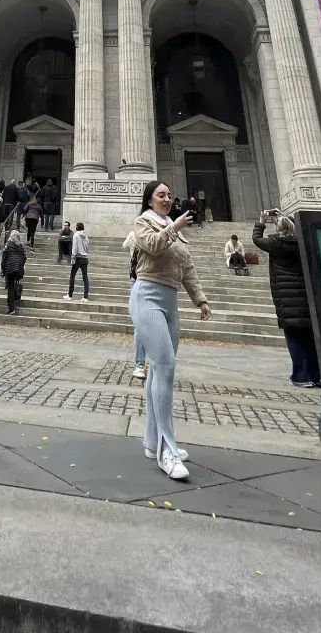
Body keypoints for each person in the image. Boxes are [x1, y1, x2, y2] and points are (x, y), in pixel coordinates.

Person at [131, 180, 211, 481]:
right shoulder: (143, 223)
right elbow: (151, 246)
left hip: (170, 301)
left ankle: (152, 443)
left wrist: (200, 300)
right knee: (165, 366)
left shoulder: (173, 230)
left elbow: (186, 267)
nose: (166, 199)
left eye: (168, 195)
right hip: (147, 295)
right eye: (160, 195)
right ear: (149, 200)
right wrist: (174, 228)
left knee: (158, 372)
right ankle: (167, 448)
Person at [252, 211, 320, 388]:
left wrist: (261, 221)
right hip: (304, 296)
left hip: (286, 298)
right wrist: (285, 216)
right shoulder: (301, 243)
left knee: (294, 339)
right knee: (310, 339)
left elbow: (257, 239)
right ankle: (316, 376)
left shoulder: (275, 243)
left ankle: (300, 376)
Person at [122, 227, 147, 380]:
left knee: (140, 324)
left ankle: (140, 365)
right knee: (141, 323)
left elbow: (124, 246)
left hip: (137, 279)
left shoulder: (133, 234)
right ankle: (142, 364)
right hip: (144, 280)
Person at [1, 230, 27, 315]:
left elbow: (4, 257)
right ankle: (11, 301)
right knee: (13, 284)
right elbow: (24, 257)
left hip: (10, 267)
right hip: (18, 267)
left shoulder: (8, 244)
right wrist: (21, 265)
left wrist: (2, 269)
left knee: (10, 286)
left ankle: (11, 307)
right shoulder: (20, 245)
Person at [67, 222, 90, 302]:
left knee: (72, 276)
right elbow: (87, 248)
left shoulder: (76, 235)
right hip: (85, 258)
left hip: (78, 258)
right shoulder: (86, 237)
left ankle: (70, 295)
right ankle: (85, 297)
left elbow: (75, 247)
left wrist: (73, 257)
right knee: (85, 277)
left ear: (77, 227)